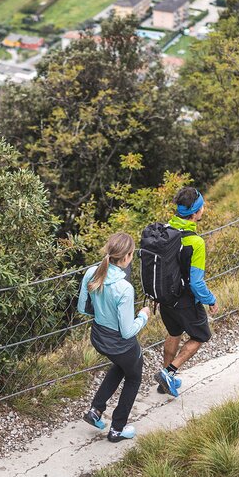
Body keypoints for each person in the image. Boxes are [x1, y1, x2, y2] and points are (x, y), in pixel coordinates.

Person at [78, 232, 151, 442]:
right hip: (120, 344)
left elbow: (83, 308)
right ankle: (117, 429)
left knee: (121, 366)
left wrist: (103, 313)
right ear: (127, 257)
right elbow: (127, 331)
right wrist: (143, 316)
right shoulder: (124, 288)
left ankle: (96, 410)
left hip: (99, 337)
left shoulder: (92, 272)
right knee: (134, 376)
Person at [155, 186, 217, 397]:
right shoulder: (196, 242)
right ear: (196, 212)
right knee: (201, 336)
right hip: (185, 301)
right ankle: (169, 372)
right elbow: (197, 284)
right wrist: (211, 299)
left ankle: (165, 379)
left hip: (165, 297)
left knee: (174, 332)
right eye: (202, 206)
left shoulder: (165, 230)